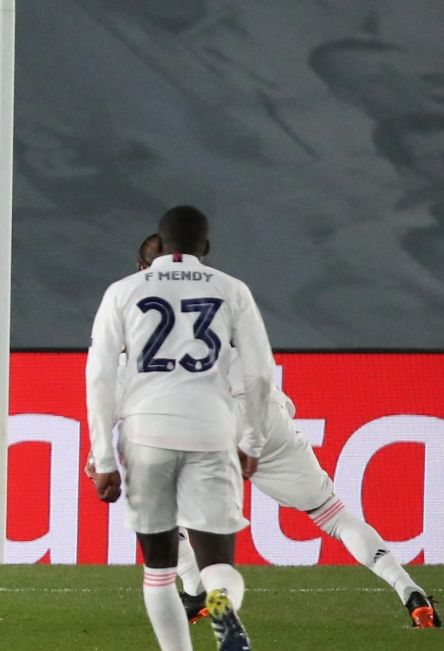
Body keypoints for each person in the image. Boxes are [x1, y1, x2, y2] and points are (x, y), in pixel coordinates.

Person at [122, 234, 434, 629]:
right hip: (267, 414)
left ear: (141, 270)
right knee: (332, 514)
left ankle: (196, 588)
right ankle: (409, 591)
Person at [86, 205, 278, 651]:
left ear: (159, 240)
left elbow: (100, 376)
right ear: (205, 246)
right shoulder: (231, 288)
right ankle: (222, 602)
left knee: (159, 571)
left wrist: (103, 457)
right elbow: (261, 374)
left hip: (146, 433)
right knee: (218, 563)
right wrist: (253, 441)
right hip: (211, 431)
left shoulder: (122, 291)